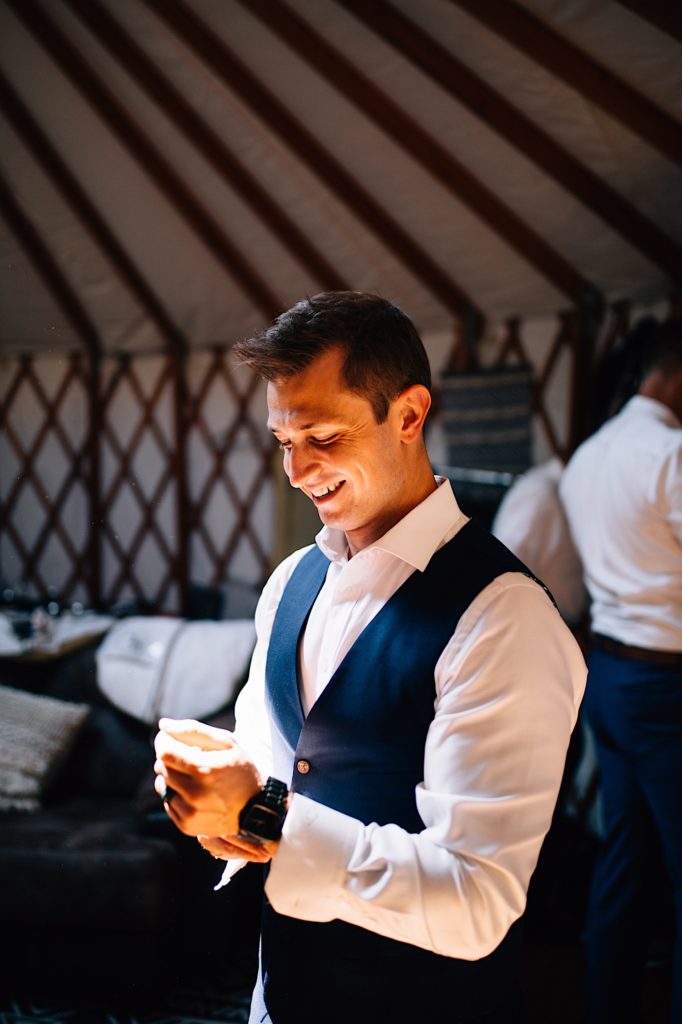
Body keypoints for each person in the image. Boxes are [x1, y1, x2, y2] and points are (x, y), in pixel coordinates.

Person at [154, 292, 587, 1024]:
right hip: (281, 996)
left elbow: (477, 899)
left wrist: (264, 812)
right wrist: (215, 802)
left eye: (322, 436)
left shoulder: (503, 617)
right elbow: (272, 772)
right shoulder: (291, 581)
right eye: (282, 440)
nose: (296, 471)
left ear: (409, 416)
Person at [559, 316, 682, 1024]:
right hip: (665, 686)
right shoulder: (670, 454)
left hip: (610, 675)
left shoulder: (588, 457)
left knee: (626, 860)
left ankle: (604, 1009)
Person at [491, 455, 587, 630]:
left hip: (559, 627)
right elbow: (505, 576)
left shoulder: (567, 491)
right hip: (534, 628)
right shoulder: (539, 496)